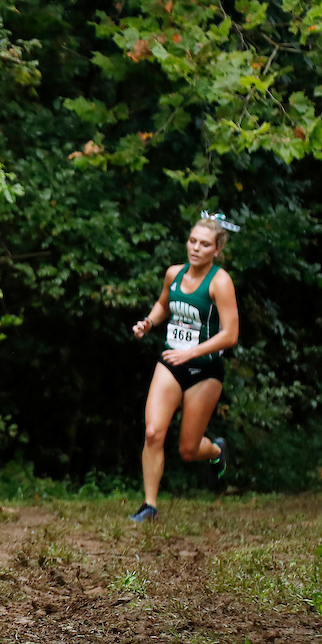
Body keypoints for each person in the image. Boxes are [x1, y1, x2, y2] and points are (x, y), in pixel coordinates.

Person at [129, 215, 239, 522]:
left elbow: (230, 334)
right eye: (192, 241)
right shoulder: (174, 273)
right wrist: (149, 322)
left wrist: (192, 352)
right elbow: (164, 304)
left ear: (216, 250)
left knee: (188, 450)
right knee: (153, 432)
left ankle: (216, 451)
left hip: (204, 369)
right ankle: (149, 506)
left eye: (204, 244)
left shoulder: (220, 282)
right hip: (171, 362)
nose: (195, 248)